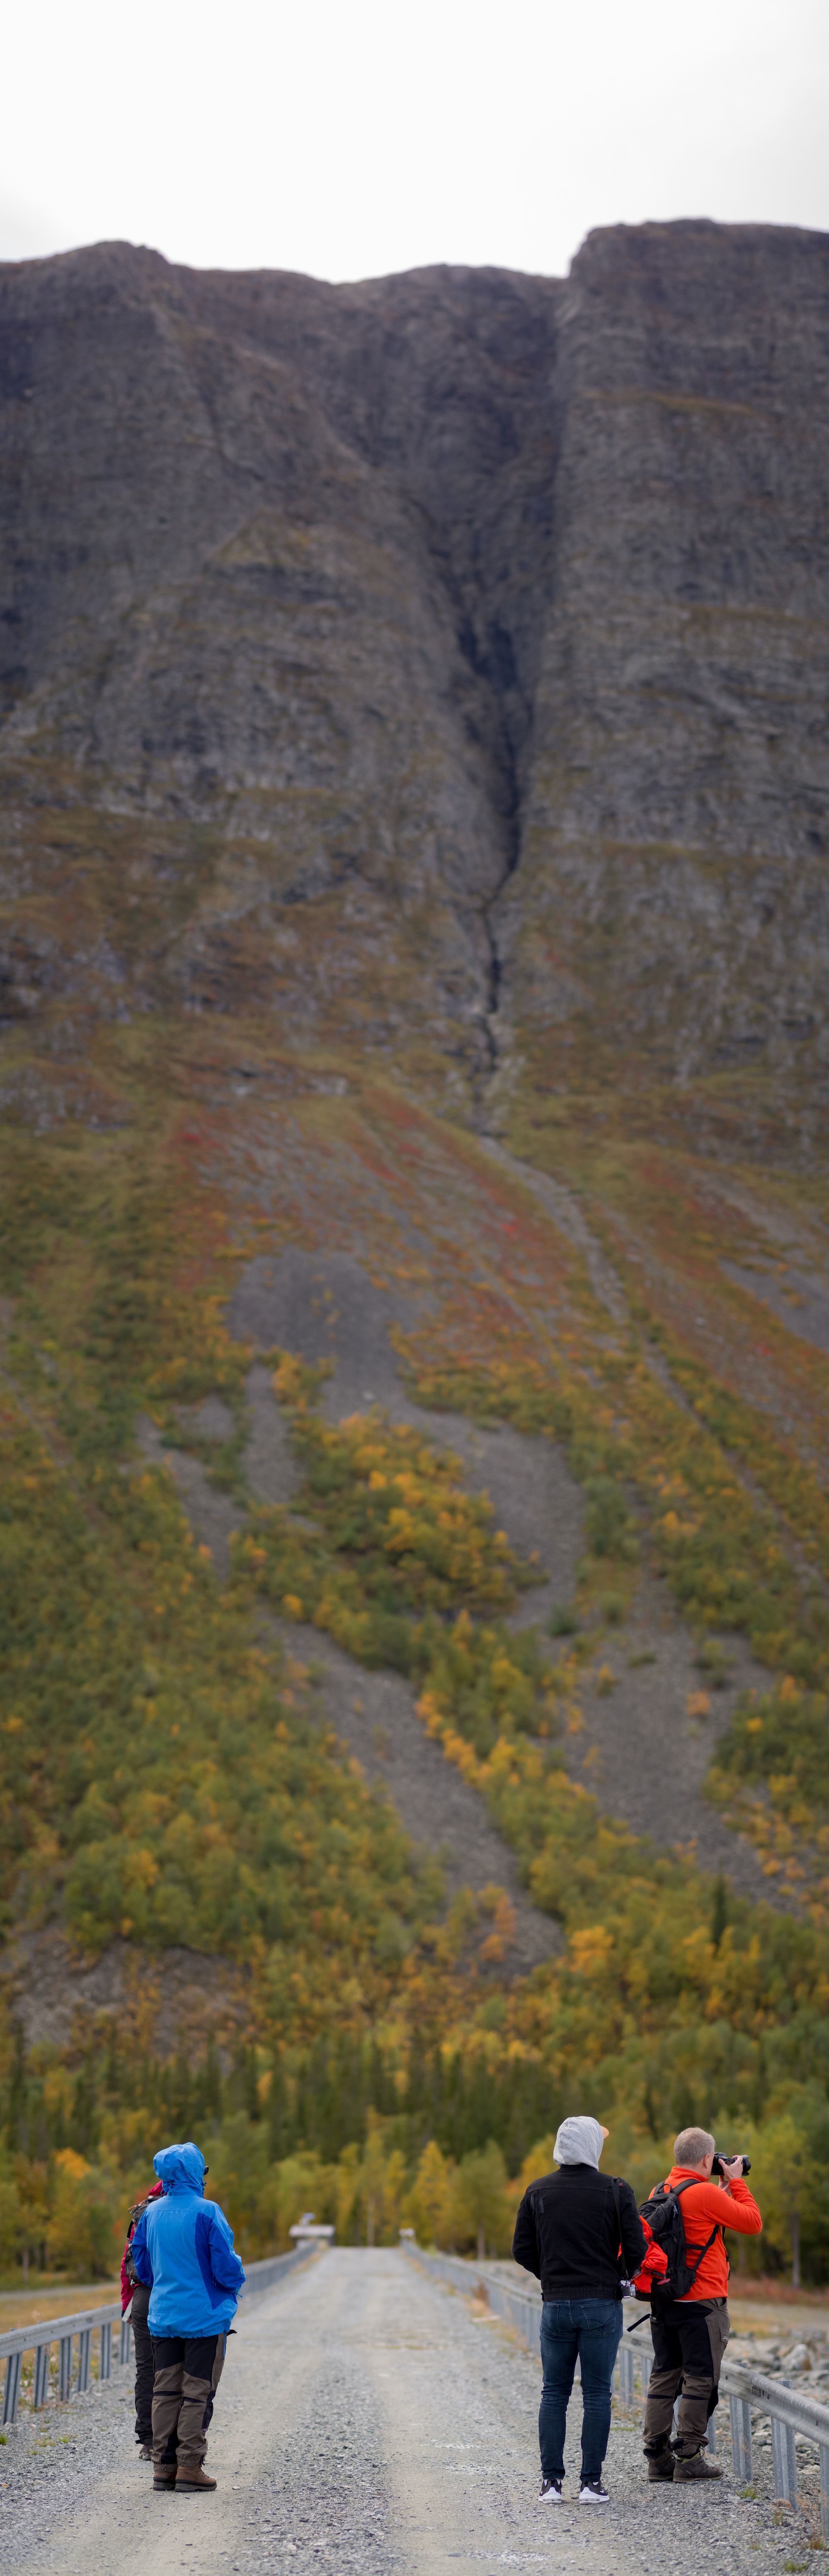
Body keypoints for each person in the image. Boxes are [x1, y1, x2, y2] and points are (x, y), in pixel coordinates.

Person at [512, 2114, 647, 2505]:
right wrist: (621, 2275)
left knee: (554, 2391)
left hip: (556, 2304)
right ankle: (591, 2484)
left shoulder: (536, 2191)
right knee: (597, 2393)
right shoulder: (616, 2188)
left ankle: (551, 2484)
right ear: (593, 2146)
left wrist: (551, 2276)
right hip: (601, 2305)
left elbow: (521, 2250)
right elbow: (637, 2249)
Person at [641, 2126, 763, 2484]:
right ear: (708, 2159)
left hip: (665, 2301)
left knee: (664, 2375)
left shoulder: (660, 2190)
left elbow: (696, 2223)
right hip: (703, 2303)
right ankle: (690, 2457)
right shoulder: (707, 2193)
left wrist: (722, 2192)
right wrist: (737, 2182)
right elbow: (753, 2222)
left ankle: (657, 2455)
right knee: (700, 2379)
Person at [130, 2140, 245, 2494]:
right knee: (197, 2391)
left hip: (163, 2316)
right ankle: (190, 2467)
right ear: (196, 2172)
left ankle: (162, 2468)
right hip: (204, 2317)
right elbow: (227, 2268)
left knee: (164, 2390)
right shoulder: (207, 2212)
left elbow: (143, 2266)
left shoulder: (150, 2213)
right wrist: (234, 2283)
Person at [121, 2175, 164, 2458]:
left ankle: (148, 2441)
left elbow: (126, 2260)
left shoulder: (142, 2212)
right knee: (179, 2367)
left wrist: (127, 2304)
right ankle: (174, 2440)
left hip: (142, 2297)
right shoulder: (189, 2208)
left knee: (147, 2369)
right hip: (170, 2293)